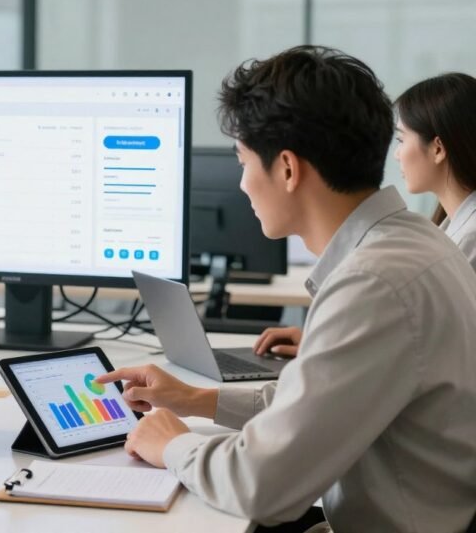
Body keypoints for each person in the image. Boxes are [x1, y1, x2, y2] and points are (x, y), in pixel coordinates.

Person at [98, 46, 476, 532]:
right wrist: (196, 400)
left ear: (288, 169)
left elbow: (262, 486)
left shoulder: (374, 283)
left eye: (243, 161)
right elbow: (320, 404)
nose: (241, 184)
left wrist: (171, 444)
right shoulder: (411, 242)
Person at [255, 71, 476, 358]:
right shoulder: (449, 228)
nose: (396, 155)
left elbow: (443, 347)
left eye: (401, 139)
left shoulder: (470, 239)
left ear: (437, 149)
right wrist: (326, 343)